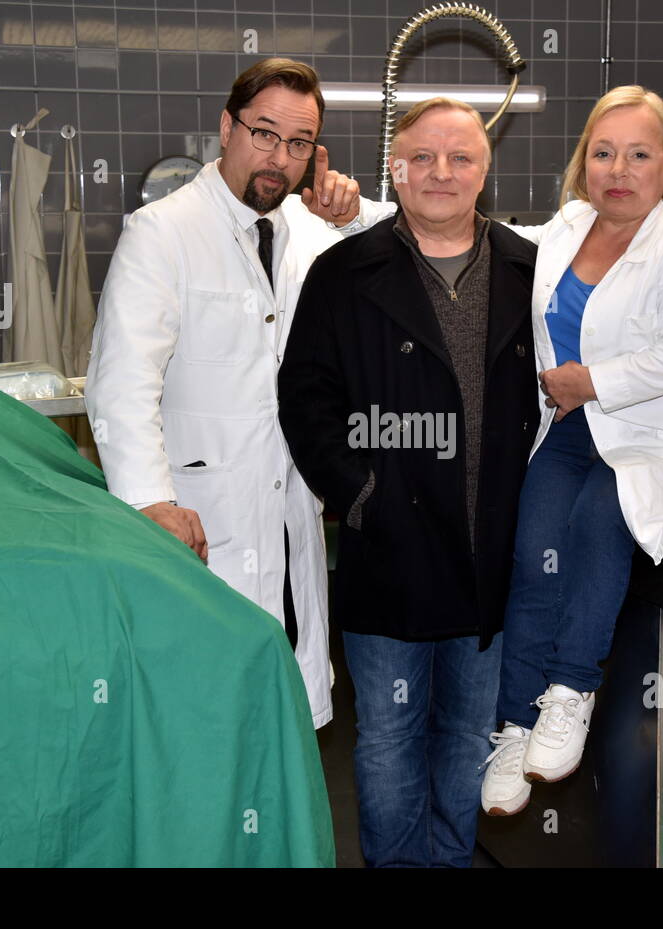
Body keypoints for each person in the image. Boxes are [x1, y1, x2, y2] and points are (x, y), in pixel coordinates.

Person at [84, 58, 389, 731]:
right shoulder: (162, 232)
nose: (279, 158)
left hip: (290, 520)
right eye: (264, 133)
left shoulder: (309, 230)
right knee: (206, 721)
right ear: (226, 128)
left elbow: (416, 236)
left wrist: (353, 206)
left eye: (300, 142)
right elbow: (121, 383)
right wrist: (149, 502)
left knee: (287, 723)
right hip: (202, 526)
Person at [278, 98, 539, 866]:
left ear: (485, 171)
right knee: (390, 734)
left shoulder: (527, 270)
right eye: (422, 157)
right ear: (396, 167)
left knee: (468, 732)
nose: (441, 173)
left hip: (491, 551)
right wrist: (363, 495)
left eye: (460, 158)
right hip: (390, 547)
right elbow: (306, 398)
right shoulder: (344, 273)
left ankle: (452, 858)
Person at [479, 85, 663, 816]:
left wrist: (594, 380)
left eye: (639, 154)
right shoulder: (562, 231)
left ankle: (570, 689)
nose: (619, 168)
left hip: (656, 433)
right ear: (583, 161)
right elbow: (471, 230)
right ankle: (516, 722)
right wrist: (357, 209)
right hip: (571, 428)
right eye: (603, 152)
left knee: (597, 518)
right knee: (532, 548)